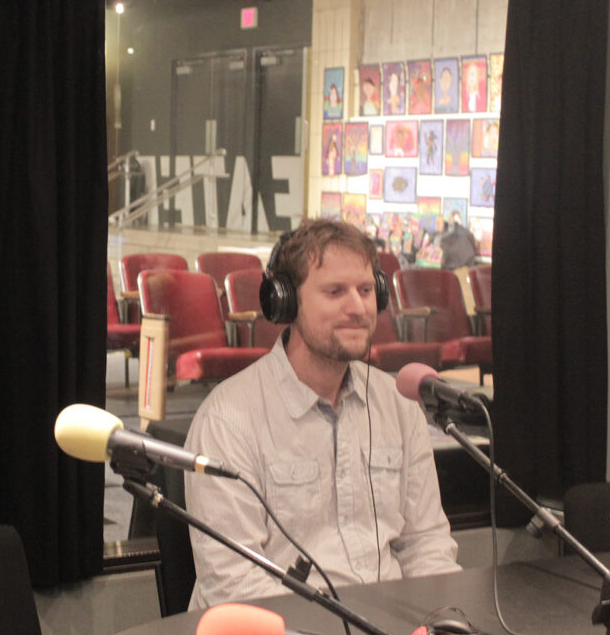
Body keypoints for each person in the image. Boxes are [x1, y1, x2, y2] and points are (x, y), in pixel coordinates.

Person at [183, 220, 460, 609]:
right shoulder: (228, 421)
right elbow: (233, 584)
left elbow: (425, 545)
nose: (358, 307)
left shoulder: (398, 405)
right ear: (285, 302)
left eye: (366, 290)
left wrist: (441, 629)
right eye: (335, 292)